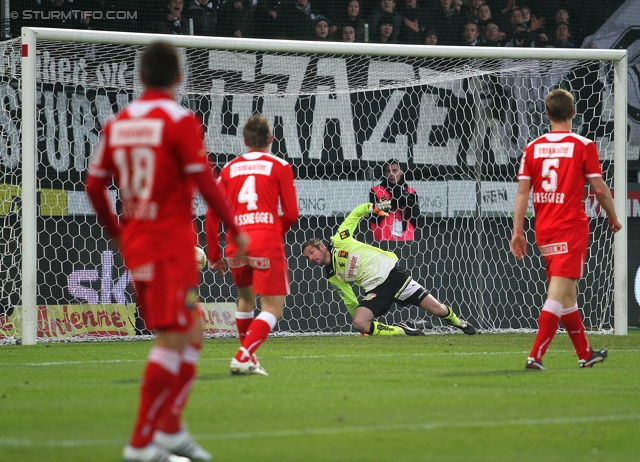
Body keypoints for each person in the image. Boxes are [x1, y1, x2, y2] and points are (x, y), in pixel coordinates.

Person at [85, 41, 247, 462]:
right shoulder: (180, 121)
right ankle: (141, 444)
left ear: (140, 77)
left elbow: (93, 184)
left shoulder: (118, 123)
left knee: (191, 331)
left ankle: (172, 430)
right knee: (174, 337)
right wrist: (234, 228)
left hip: (139, 241)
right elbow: (207, 183)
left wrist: (117, 233)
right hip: (168, 246)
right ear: (179, 77)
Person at [510, 88, 622, 370]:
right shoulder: (583, 145)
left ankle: (585, 353)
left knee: (567, 294)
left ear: (547, 115)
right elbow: (598, 187)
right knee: (557, 293)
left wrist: (518, 232)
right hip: (570, 228)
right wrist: (613, 216)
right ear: (573, 112)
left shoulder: (532, 148)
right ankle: (535, 355)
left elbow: (523, 194)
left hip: (544, 228)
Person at [206, 114, 299, 376]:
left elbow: (212, 215)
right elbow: (291, 213)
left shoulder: (229, 169)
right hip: (265, 243)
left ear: (245, 140)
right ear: (271, 139)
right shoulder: (279, 165)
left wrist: (214, 254)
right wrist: (271, 232)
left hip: (236, 245)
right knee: (273, 308)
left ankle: (249, 358)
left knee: (245, 300)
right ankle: (243, 355)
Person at [301, 201, 477, 337]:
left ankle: (458, 322)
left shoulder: (340, 240)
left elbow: (356, 213)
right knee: (359, 323)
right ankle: (403, 331)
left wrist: (373, 207)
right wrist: (365, 327)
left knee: (438, 310)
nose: (311, 258)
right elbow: (350, 300)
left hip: (392, 275)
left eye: (311, 252)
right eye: (308, 258)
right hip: (375, 290)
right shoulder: (332, 275)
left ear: (322, 247)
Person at [369, 159, 419, 241]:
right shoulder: (376, 191)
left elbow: (417, 220)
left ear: (401, 172)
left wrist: (408, 204)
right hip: (383, 239)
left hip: (405, 239)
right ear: (385, 173)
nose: (392, 174)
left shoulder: (411, 192)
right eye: (389, 171)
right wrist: (393, 202)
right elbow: (373, 217)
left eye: (395, 170)